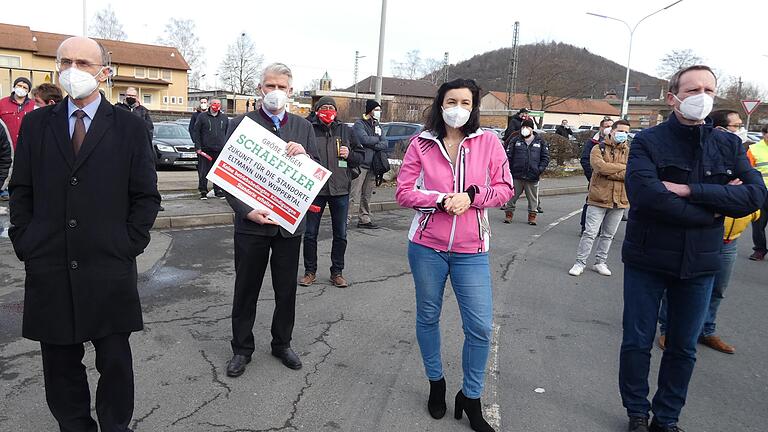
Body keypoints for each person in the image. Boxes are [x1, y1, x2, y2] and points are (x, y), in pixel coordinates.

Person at [8, 36, 160, 432]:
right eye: (66, 61)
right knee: (59, 365)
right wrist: (25, 241)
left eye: (84, 63)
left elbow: (145, 196)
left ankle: (115, 426)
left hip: (108, 265)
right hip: (49, 265)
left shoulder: (128, 126)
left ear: (103, 72)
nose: (73, 70)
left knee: (114, 361)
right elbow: (21, 188)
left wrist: (128, 245)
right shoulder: (38, 123)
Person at [619, 65, 765, 432]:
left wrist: (690, 190)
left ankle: (666, 419)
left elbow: (755, 194)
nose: (702, 96)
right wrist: (715, 207)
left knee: (683, 348)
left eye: (709, 89)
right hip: (647, 258)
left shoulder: (729, 144)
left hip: (699, 264)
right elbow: (646, 197)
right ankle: (637, 412)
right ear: (673, 98)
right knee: (637, 342)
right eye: (693, 89)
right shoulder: (648, 142)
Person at [396, 78, 513, 432]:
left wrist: (472, 196)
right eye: (451, 100)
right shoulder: (422, 143)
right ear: (440, 103)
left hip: (471, 250)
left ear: (473, 106)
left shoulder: (489, 142)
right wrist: (438, 199)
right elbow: (403, 192)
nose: (458, 107)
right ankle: (436, 383)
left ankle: (471, 397)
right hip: (426, 247)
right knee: (428, 316)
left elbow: (505, 189)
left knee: (479, 326)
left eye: (465, 101)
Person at [224, 63, 319, 378]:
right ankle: (241, 348)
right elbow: (225, 177)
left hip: (288, 227)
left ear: (290, 91)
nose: (274, 92)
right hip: (251, 226)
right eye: (268, 86)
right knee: (246, 289)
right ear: (259, 89)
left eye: (280, 87)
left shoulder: (304, 127)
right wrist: (245, 210)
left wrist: (304, 156)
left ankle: (282, 343)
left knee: (286, 291)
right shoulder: (242, 124)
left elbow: (316, 172)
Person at [656, 109, 758, 354]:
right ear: (720, 128)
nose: (740, 130)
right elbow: (688, 193)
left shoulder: (741, 153)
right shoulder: (702, 155)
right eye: (735, 126)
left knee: (718, 289)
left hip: (732, 237)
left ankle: (706, 330)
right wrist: (725, 195)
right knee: (679, 283)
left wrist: (733, 197)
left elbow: (753, 194)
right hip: (702, 232)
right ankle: (668, 329)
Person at [299, 96, 362, 289]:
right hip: (315, 191)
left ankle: (337, 272)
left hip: (340, 189)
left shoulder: (346, 130)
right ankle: (310, 272)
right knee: (310, 234)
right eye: (324, 107)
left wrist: (349, 155)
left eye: (331, 107)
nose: (328, 110)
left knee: (340, 233)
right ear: (317, 110)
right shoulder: (308, 129)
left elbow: (360, 156)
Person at [568, 120, 630, 277]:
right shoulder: (598, 148)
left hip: (619, 199)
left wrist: (612, 171)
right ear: (612, 131)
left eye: (626, 131)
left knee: (608, 235)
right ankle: (580, 262)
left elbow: (631, 173)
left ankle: (600, 262)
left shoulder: (630, 151)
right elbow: (599, 167)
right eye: (620, 130)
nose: (623, 134)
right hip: (598, 198)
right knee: (590, 233)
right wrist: (622, 168)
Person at [501, 118, 549, 225]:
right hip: (516, 174)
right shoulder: (515, 140)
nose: (524, 129)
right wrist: (509, 170)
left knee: (532, 198)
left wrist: (539, 169)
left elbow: (545, 158)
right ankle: (509, 215)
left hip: (532, 175)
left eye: (527, 127)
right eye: (523, 127)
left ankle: (532, 216)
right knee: (512, 196)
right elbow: (508, 156)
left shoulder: (540, 142)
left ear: (532, 129)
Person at [350, 99, 387, 229]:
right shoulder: (359, 124)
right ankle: (344, 220)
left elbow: (385, 143)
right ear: (370, 110)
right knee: (353, 194)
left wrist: (373, 143)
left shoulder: (377, 125)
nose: (378, 112)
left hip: (373, 166)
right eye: (376, 109)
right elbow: (363, 139)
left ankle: (364, 219)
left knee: (367, 195)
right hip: (361, 164)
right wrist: (376, 141)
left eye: (379, 109)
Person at [579, 117, 614, 233]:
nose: (609, 129)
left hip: (611, 180)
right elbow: (585, 160)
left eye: (611, 126)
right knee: (591, 202)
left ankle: (604, 229)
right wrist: (592, 176)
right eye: (606, 126)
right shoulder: (592, 143)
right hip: (595, 179)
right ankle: (586, 227)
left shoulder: (617, 143)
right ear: (601, 128)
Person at [191, 98, 229, 200]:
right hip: (205, 149)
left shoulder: (224, 118)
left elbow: (228, 132)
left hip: (220, 149)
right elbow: (196, 132)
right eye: (214, 103)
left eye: (218, 104)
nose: (216, 105)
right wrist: (198, 147)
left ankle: (218, 190)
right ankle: (203, 190)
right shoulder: (202, 117)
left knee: (218, 171)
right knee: (204, 171)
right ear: (210, 105)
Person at [747, 125, 768, 260]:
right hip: (761, 192)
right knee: (759, 222)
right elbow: (748, 171)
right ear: (764, 134)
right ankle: (760, 250)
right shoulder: (753, 149)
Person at [0, 76, 34, 150]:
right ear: (14, 87)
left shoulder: (33, 105)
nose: (21, 88)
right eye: (19, 86)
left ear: (28, 91)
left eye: (25, 87)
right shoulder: (2, 103)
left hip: (27, 146)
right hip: (6, 147)